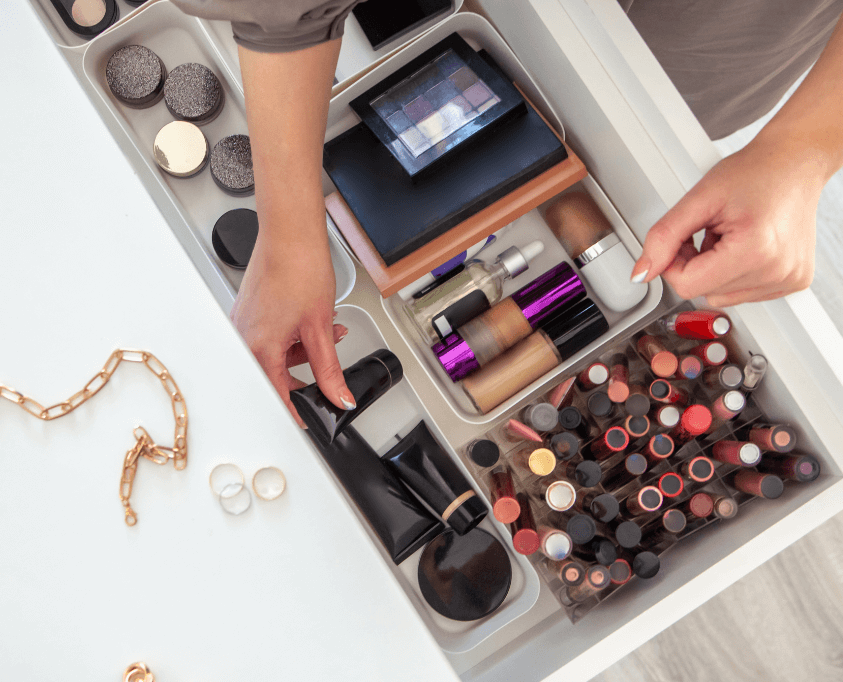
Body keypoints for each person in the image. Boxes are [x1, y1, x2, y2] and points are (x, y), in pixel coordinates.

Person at [171, 0, 843, 423]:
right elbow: (285, 13)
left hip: (718, 33)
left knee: (654, 106)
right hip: (512, 35)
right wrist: (288, 232)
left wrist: (803, 150)